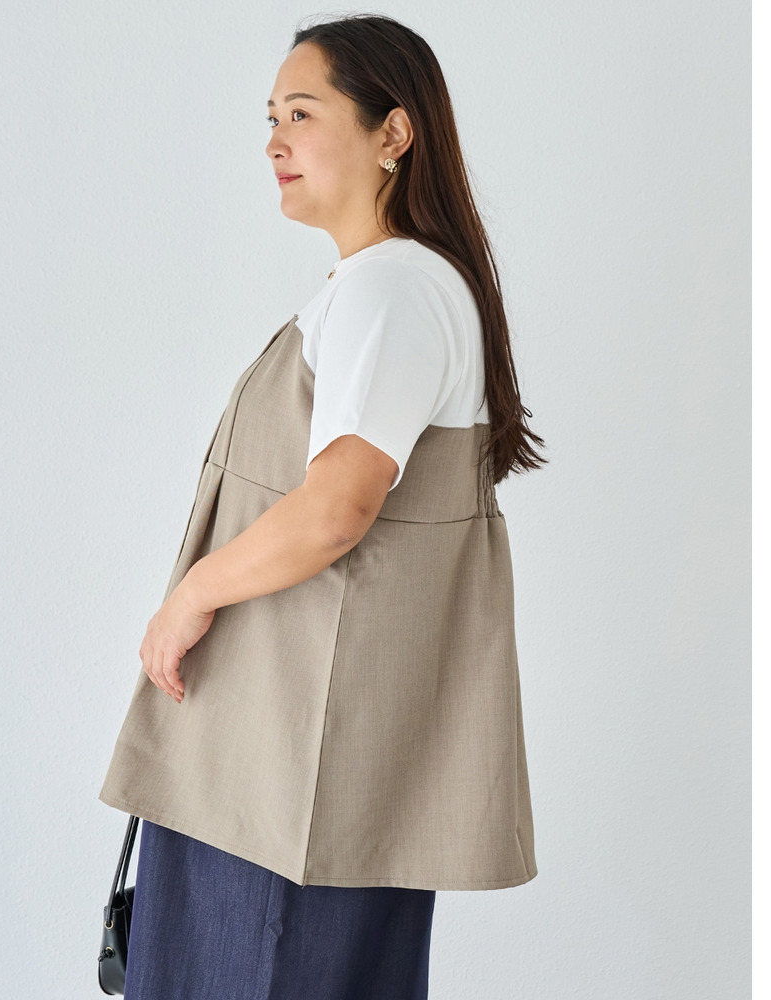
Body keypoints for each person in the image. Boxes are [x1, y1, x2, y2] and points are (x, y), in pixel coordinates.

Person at [99, 13, 547, 1000]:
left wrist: (188, 599)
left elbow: (337, 508)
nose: (274, 142)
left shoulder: (392, 292)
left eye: (301, 114)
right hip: (292, 761)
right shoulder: (386, 287)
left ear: (394, 133)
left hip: (284, 773)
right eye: (270, 118)